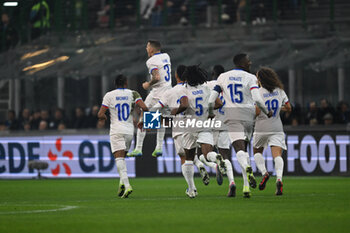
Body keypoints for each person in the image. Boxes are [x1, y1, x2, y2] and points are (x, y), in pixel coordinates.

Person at [208, 53, 271, 198]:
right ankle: (246, 187)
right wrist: (267, 112)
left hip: (232, 117)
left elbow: (211, 100)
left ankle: (244, 178)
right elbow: (257, 99)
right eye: (248, 60)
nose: (250, 62)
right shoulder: (251, 78)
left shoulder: (223, 77)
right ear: (242, 63)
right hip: (249, 116)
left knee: (239, 150)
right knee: (245, 150)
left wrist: (211, 112)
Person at [148, 65, 211, 190]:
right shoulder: (194, 88)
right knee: (192, 153)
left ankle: (191, 187)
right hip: (195, 124)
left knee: (184, 157)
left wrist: (147, 121)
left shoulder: (170, 92)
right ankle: (200, 164)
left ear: (176, 76)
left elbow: (156, 107)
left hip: (178, 128)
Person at [173, 65, 226, 198]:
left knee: (189, 158)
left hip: (190, 126)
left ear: (186, 77)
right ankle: (217, 158)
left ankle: (192, 189)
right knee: (207, 153)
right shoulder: (207, 89)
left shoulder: (183, 89)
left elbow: (184, 105)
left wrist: (174, 112)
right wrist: (208, 110)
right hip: (205, 124)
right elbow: (219, 103)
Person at [98, 74, 148, 198]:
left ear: (115, 84)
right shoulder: (133, 93)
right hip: (129, 132)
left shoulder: (109, 95)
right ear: (126, 83)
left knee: (119, 159)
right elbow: (145, 107)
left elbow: (100, 114)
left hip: (116, 130)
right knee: (123, 159)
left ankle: (127, 185)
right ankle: (121, 183)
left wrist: (104, 117)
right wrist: (141, 119)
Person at [252, 67, 292, 195]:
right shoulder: (280, 91)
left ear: (260, 79)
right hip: (276, 127)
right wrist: (278, 109)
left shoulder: (258, 92)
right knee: (277, 155)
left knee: (257, 152)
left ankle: (264, 173)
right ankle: (279, 179)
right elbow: (288, 108)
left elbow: (257, 112)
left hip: (261, 128)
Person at [128, 40, 172, 157]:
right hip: (168, 93)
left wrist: (148, 84)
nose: (146, 49)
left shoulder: (151, 61)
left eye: (147, 47)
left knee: (143, 115)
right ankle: (159, 148)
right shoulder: (166, 56)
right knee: (162, 119)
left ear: (151, 49)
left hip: (157, 93)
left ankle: (138, 149)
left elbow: (157, 77)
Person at [203, 64, 237, 197]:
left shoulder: (208, 85)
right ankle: (232, 182)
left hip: (209, 125)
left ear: (213, 74)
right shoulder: (228, 87)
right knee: (225, 155)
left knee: (203, 154)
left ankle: (215, 166)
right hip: (224, 124)